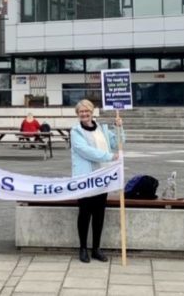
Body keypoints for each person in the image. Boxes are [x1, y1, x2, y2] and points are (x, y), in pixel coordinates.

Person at [71, 99, 124, 263]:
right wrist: (109, 156)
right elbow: (85, 151)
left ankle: (96, 248)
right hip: (86, 178)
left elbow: (118, 142)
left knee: (99, 214)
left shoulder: (102, 129)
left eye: (87, 111)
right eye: (81, 112)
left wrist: (119, 127)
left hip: (103, 177)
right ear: (78, 114)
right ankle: (83, 248)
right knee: (85, 213)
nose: (84, 114)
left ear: (92, 112)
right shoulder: (76, 131)